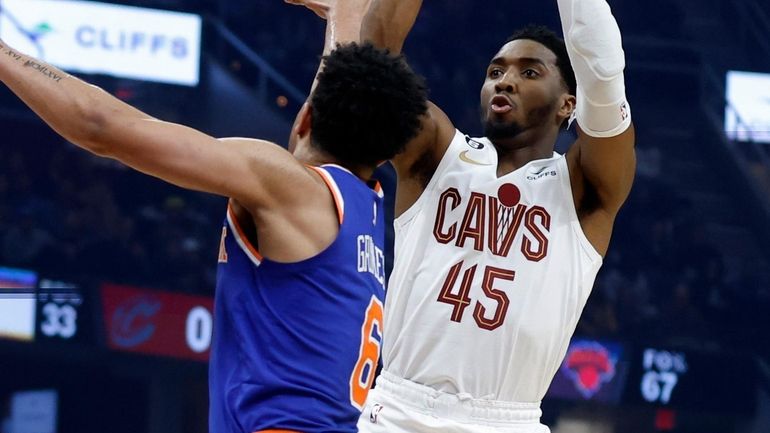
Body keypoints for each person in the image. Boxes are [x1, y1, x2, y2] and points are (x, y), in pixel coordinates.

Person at [0, 2, 427, 431]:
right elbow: (351, 82)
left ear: (304, 118)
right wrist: (343, 15)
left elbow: (99, 126)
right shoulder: (366, 207)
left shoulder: (289, 185)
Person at [294, 0, 636, 431]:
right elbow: (375, 60)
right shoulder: (439, 152)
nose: (505, 81)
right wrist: (352, 14)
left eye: (529, 72)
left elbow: (603, 74)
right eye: (495, 72)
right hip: (398, 407)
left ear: (568, 104)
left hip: (506, 419)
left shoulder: (584, 185)